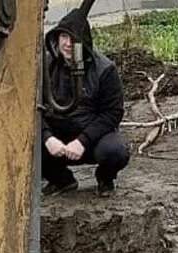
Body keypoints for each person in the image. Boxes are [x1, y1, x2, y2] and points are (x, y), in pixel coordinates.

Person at [41, 0, 128, 197]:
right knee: (24, 143)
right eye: (64, 36)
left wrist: (82, 141)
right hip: (56, 141)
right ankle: (61, 180)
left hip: (92, 140)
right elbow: (32, 108)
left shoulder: (105, 69)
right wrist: (47, 138)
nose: (68, 44)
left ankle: (105, 178)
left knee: (115, 151)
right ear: (57, 38)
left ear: (84, 41)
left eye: (73, 39)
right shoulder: (45, 67)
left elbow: (112, 114)